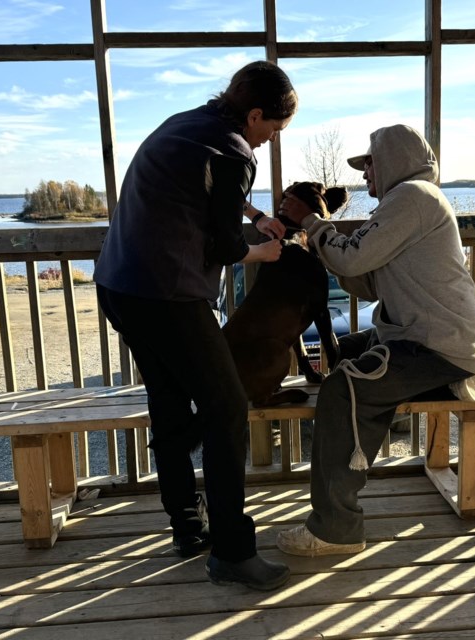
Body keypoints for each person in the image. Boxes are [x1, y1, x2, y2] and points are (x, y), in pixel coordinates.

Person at [94, 61, 294, 590]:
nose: (270, 141)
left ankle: (186, 525)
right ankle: (232, 550)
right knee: (227, 406)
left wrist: (252, 215)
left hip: (119, 285)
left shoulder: (186, 123)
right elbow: (225, 247)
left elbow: (207, 196)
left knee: (168, 399)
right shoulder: (235, 149)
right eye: (273, 130)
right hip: (166, 295)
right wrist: (264, 251)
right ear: (254, 115)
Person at [274, 123, 475, 557]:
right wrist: (326, 242)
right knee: (346, 352)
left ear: (393, 159)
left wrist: (313, 223)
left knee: (343, 386)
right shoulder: (407, 202)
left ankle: (336, 528)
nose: (365, 172)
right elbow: (367, 282)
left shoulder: (412, 198)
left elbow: (352, 256)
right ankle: (349, 462)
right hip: (426, 336)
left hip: (436, 346)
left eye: (369, 163)